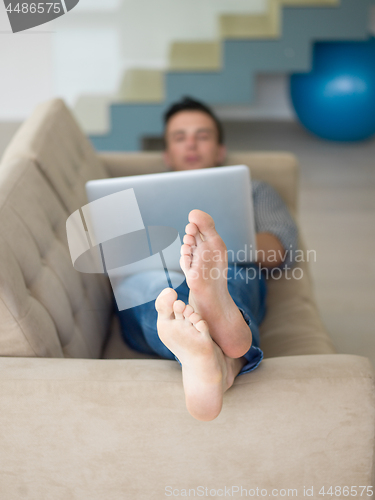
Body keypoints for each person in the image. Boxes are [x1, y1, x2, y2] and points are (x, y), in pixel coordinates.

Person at [117, 97, 298, 422]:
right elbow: (116, 256)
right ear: (166, 153)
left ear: (219, 150)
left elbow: (280, 246)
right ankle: (225, 361)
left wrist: (216, 253)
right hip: (154, 274)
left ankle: (207, 340)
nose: (191, 144)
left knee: (228, 279)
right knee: (157, 289)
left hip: (232, 269)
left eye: (202, 136)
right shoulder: (135, 195)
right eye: (180, 136)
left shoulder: (254, 189)